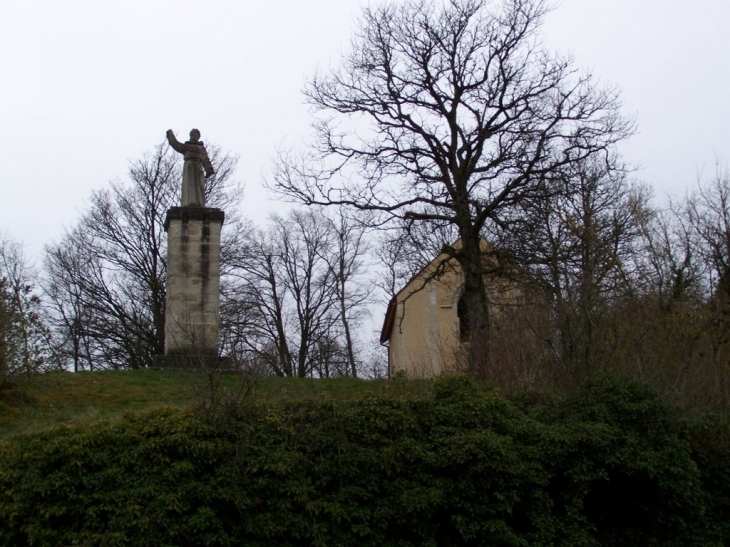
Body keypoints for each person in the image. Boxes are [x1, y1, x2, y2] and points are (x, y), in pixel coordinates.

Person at [166, 128, 215, 207]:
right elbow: (176, 145)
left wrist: (208, 169)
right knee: (190, 185)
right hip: (189, 167)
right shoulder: (187, 146)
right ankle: (190, 202)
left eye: (194, 134)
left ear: (198, 136)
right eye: (191, 134)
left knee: (199, 186)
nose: (192, 136)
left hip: (198, 167)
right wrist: (170, 136)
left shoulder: (201, 148)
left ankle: (198, 203)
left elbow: (205, 159)